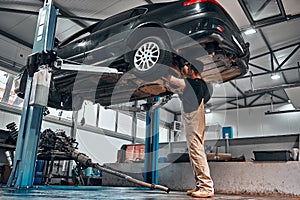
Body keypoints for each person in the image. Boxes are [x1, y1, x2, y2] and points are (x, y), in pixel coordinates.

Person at [167, 59, 214, 198]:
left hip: (193, 119)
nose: (186, 69)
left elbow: (171, 80)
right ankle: (200, 185)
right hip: (197, 118)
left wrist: (165, 67)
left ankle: (206, 187)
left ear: (193, 71)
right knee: (195, 151)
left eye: (188, 67)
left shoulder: (192, 83)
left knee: (196, 151)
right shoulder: (202, 85)